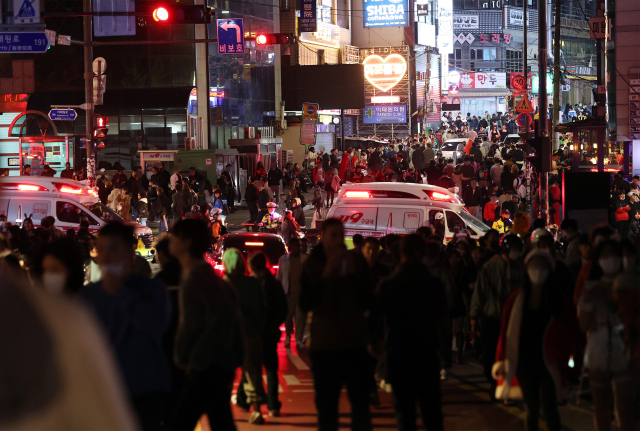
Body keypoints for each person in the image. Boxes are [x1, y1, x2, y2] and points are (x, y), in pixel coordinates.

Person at [78, 222, 171, 430]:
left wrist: (120, 291)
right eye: (100, 249)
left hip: (145, 390)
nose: (105, 256)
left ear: (130, 253)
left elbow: (156, 326)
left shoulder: (151, 290)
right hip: (102, 391)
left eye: (113, 249)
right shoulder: (87, 296)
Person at [168, 219, 243, 431]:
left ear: (186, 242)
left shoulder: (195, 279)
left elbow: (193, 325)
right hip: (218, 365)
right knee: (221, 420)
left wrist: (184, 357)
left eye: (175, 236)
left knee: (180, 422)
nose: (170, 240)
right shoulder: (207, 276)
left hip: (205, 367)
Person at [300, 218, 374, 430]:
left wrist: (353, 275)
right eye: (333, 236)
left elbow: (369, 299)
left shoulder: (357, 262)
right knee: (327, 408)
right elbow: (305, 304)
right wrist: (326, 275)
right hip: (325, 346)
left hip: (355, 343)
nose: (339, 241)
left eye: (341, 235)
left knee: (360, 406)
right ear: (323, 238)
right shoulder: (312, 264)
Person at [493, 250, 578, 429]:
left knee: (550, 408)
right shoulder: (516, 300)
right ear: (527, 269)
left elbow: (570, 330)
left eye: (542, 267)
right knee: (532, 410)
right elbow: (506, 333)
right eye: (534, 267)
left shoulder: (559, 300)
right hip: (525, 361)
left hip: (549, 361)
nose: (537, 271)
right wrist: (502, 362)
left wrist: (569, 357)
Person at [372, 235, 446, 430]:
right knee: (432, 414)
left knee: (405, 416)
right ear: (424, 253)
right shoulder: (434, 284)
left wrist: (377, 346)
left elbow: (374, 320)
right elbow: (442, 317)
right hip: (427, 353)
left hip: (398, 353)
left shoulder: (389, 285)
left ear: (400, 253)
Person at [577, 239, 636, 431]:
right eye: (605, 256)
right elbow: (584, 325)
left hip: (625, 347)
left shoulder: (630, 285)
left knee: (626, 407)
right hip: (598, 348)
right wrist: (590, 299)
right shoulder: (592, 287)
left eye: (614, 255)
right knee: (601, 407)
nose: (610, 260)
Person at [470, 234, 525, 397]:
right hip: (493, 318)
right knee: (491, 355)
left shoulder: (521, 269)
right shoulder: (490, 267)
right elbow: (479, 293)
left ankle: (508, 386)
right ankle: (494, 382)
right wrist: (474, 316)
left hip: (514, 319)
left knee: (513, 355)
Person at [223, 248, 268, 424]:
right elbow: (263, 308)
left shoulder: (224, 285)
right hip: (252, 335)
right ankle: (257, 410)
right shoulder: (253, 283)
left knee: (225, 376)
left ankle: (223, 412)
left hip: (228, 338)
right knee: (253, 373)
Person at [248, 251, 288, 417]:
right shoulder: (275, 283)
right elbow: (283, 308)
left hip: (254, 333)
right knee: (271, 370)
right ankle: (273, 405)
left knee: (253, 370)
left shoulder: (250, 284)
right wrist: (274, 324)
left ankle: (252, 403)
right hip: (270, 333)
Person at [277, 237, 307, 349]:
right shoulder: (283, 260)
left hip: (300, 292)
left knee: (300, 317)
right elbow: (279, 277)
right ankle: (288, 336)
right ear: (290, 247)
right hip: (288, 292)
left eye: (299, 246)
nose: (299, 248)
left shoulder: (304, 259)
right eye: (296, 246)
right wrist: (279, 292)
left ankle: (299, 339)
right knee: (288, 316)